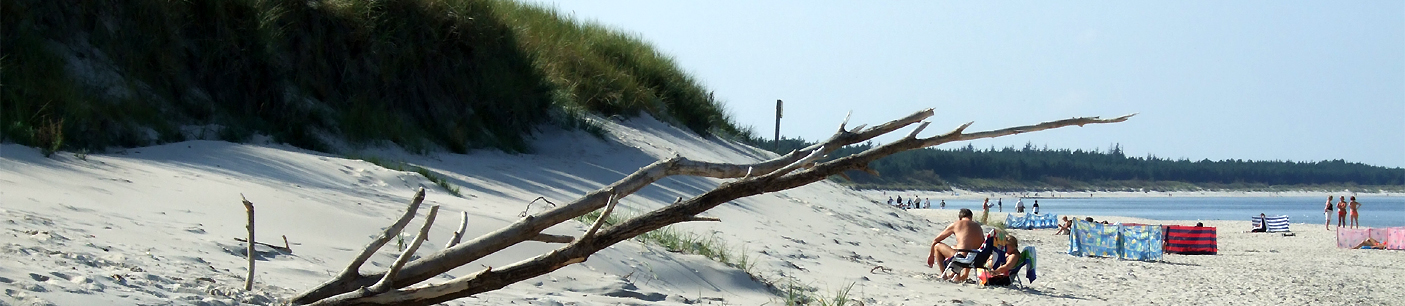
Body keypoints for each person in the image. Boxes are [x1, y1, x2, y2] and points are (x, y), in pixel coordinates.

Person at [927, 208, 985, 282]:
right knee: (962, 248)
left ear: (960, 218)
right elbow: (980, 245)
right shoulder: (978, 226)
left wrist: (931, 254)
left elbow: (936, 240)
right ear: (971, 217)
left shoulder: (957, 224)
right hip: (975, 259)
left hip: (962, 258)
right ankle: (964, 275)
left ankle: (944, 275)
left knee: (937, 246)